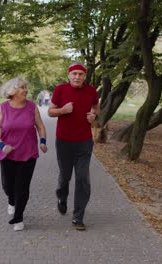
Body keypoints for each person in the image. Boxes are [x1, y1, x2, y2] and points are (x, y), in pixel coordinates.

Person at [0, 77, 48, 231]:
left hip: (28, 153)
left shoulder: (31, 107)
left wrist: (42, 141)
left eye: (25, 87)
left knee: (22, 187)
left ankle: (19, 217)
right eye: (22, 88)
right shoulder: (3, 108)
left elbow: (41, 127)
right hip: (7, 153)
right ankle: (11, 200)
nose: (25, 90)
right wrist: (2, 145)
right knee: (8, 186)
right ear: (12, 91)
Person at [48, 62, 100, 231]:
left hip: (84, 142)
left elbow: (96, 108)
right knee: (65, 177)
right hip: (64, 141)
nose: (77, 77)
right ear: (69, 75)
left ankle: (78, 217)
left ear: (85, 76)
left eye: (80, 74)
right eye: (74, 74)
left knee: (83, 178)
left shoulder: (91, 91)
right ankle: (61, 197)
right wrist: (62, 110)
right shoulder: (60, 90)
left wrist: (93, 115)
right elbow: (50, 111)